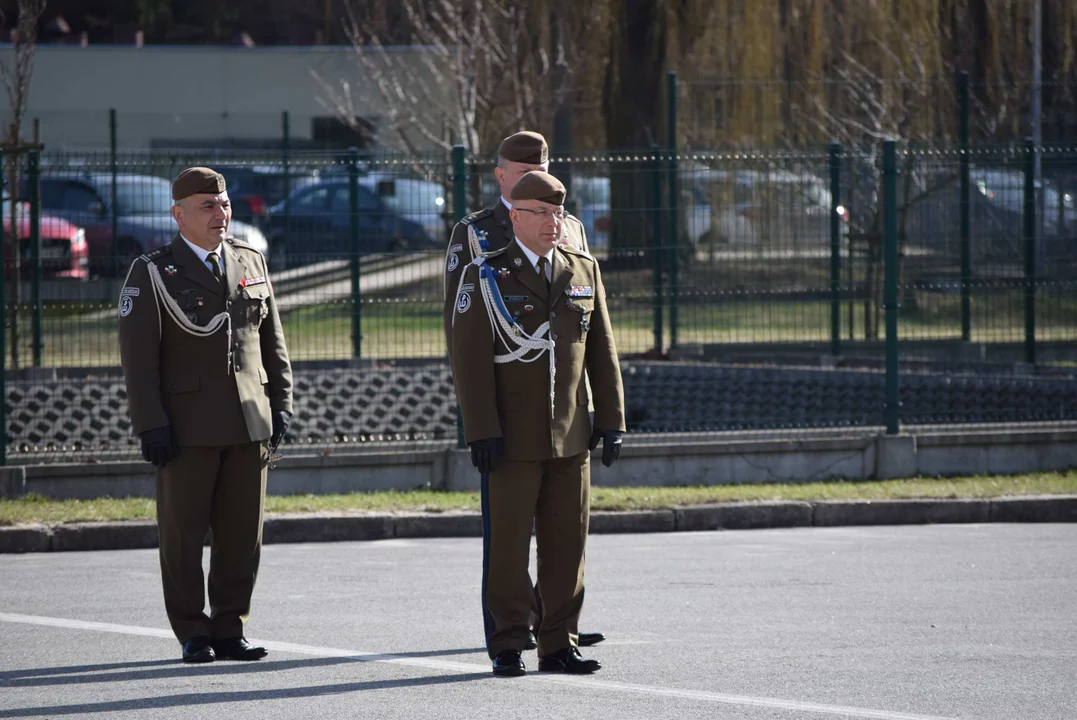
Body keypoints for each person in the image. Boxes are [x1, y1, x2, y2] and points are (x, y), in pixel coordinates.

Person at [450, 170, 625, 677]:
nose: (554, 224)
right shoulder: (485, 276)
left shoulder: (582, 270)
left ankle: (558, 643)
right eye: (542, 214)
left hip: (570, 432)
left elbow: (601, 350)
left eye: (558, 214)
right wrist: (480, 429)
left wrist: (612, 419)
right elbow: (471, 362)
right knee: (508, 546)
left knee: (567, 543)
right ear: (515, 217)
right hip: (512, 436)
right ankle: (508, 641)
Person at [118, 167, 293, 664]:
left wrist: (281, 404)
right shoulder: (153, 270)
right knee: (183, 534)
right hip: (187, 427)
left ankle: (229, 627)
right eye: (207, 206)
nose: (221, 214)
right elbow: (139, 358)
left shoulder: (249, 259)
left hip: (248, 421)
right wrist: (150, 422)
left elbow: (271, 342)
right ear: (179, 215)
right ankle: (193, 630)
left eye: (224, 204)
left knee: (243, 534)